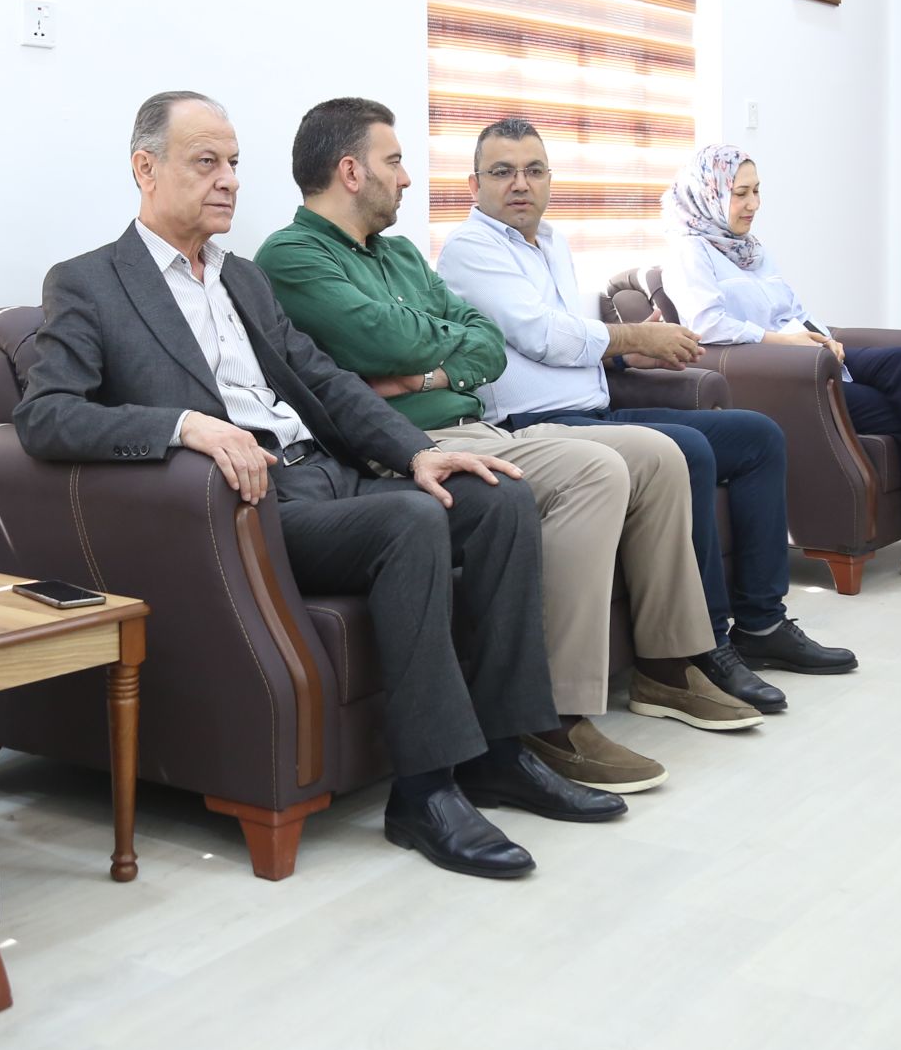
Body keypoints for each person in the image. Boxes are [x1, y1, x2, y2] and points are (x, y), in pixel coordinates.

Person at [15, 91, 623, 881]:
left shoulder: (241, 278)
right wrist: (183, 427)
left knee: (498, 497)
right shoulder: (90, 282)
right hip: (253, 508)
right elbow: (46, 415)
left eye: (235, 163)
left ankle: (500, 752)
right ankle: (425, 792)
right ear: (145, 168)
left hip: (334, 475)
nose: (230, 179)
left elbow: (323, 380)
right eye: (207, 162)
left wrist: (417, 454)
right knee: (411, 524)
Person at [255, 100, 764, 795]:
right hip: (407, 444)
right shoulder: (290, 256)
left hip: (479, 427)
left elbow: (485, 343)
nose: (406, 178)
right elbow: (385, 338)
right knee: (596, 470)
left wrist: (428, 371)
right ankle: (553, 713)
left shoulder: (400, 253)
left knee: (660, 455)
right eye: (395, 161)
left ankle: (669, 666)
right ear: (351, 171)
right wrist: (437, 348)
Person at [439, 118, 856, 695]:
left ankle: (762, 623)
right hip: (532, 427)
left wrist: (625, 356)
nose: (520, 184)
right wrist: (633, 337)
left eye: (534, 170)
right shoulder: (469, 249)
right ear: (474, 184)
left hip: (594, 410)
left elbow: (569, 337)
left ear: (550, 179)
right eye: (502, 172)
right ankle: (707, 643)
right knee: (688, 449)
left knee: (758, 437)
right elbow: (542, 336)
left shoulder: (552, 241)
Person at [662, 144, 901, 587]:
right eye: (740, 193)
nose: (754, 204)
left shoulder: (749, 249)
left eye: (757, 191)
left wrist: (823, 336)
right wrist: (787, 343)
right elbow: (706, 324)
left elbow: (793, 308)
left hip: (811, 354)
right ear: (708, 194)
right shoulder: (689, 251)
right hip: (783, 375)